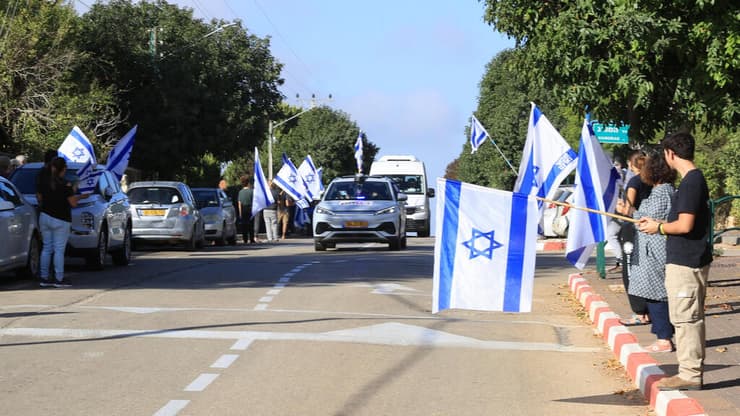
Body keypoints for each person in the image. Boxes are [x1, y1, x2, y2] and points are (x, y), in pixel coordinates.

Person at [638, 132, 713, 391]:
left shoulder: (692, 182)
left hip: (687, 261)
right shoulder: (692, 181)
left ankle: (690, 374)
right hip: (686, 259)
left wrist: (658, 228)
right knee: (685, 317)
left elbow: (685, 225)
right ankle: (689, 371)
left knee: (686, 319)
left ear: (670, 154)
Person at [617, 148, 676, 352]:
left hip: (655, 250)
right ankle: (662, 334)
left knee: (656, 293)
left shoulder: (662, 193)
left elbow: (645, 220)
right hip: (651, 249)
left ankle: (664, 338)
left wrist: (630, 212)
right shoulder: (661, 191)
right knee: (653, 293)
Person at [37, 157, 89, 288]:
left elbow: (39, 198)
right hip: (61, 219)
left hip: (44, 216)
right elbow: (72, 203)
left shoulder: (43, 182)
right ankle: (59, 278)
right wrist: (81, 196)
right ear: (64, 169)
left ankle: (44, 277)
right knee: (59, 250)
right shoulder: (66, 184)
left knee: (46, 248)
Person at [616, 151, 653, 325]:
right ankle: (650, 309)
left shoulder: (634, 182)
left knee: (630, 269)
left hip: (633, 229)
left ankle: (639, 312)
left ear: (631, 165)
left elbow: (628, 210)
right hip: (650, 229)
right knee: (647, 268)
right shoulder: (653, 180)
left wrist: (619, 208)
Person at [237, 175, 256, 244]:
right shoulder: (252, 191)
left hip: (243, 209)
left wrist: (240, 213)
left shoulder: (240, 192)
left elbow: (239, 203)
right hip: (250, 208)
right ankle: (251, 239)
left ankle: (245, 239)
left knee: (244, 225)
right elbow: (254, 201)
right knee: (251, 225)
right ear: (248, 183)